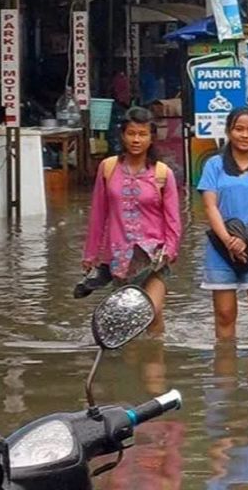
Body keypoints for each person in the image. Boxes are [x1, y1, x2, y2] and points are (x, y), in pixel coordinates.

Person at [83, 107, 182, 334]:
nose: (136, 139)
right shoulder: (107, 168)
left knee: (151, 312)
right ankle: (135, 361)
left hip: (154, 258)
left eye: (142, 134)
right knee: (127, 321)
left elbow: (173, 219)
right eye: (131, 133)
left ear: (151, 138)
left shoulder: (161, 173)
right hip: (120, 259)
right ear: (123, 135)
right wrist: (90, 255)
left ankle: (156, 359)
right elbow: (98, 215)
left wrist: (171, 251)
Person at [199, 107, 248, 339]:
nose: (245, 135)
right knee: (224, 316)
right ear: (229, 131)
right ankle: (226, 371)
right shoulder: (213, 165)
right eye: (239, 129)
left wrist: (245, 239)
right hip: (221, 248)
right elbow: (210, 206)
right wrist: (228, 240)